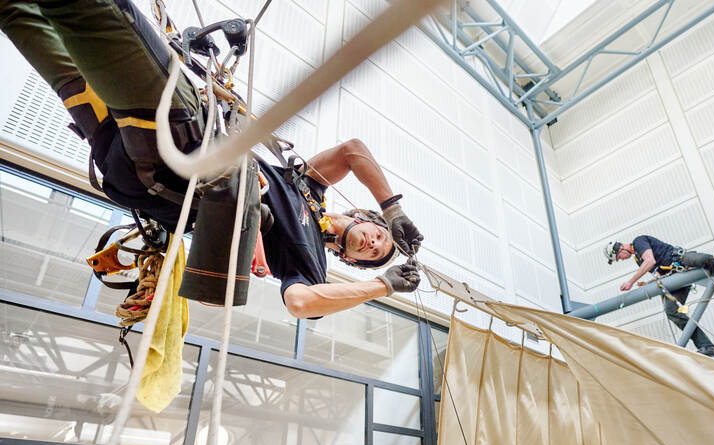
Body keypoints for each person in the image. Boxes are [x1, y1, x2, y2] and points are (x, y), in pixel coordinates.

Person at [0, 0, 422, 319]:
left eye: (371, 256)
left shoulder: (307, 256)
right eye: (380, 237)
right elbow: (352, 151)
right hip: (142, 149)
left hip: (168, 149)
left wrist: (381, 285)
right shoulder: (308, 186)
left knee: (89, 11)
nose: (373, 245)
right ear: (365, 216)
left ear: (350, 261)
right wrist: (395, 209)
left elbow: (300, 302)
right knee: (22, 15)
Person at [604, 236, 714, 357]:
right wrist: (648, 284)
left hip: (681, 260)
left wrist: (631, 281)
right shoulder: (638, 259)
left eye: (618, 256)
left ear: (619, 248)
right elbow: (657, 271)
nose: (621, 259)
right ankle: (706, 346)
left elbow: (651, 260)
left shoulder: (638, 241)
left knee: (708, 261)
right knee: (672, 311)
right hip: (675, 277)